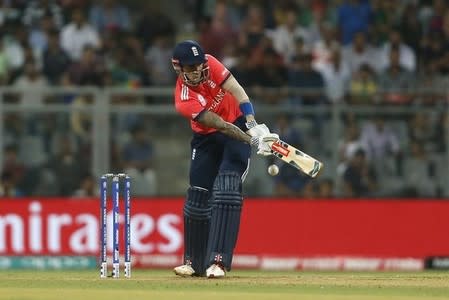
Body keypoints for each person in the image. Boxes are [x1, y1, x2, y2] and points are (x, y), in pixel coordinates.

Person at [171, 40, 278, 278]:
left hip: (238, 124)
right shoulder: (183, 98)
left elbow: (238, 90)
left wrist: (253, 124)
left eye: (199, 65)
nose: (198, 70)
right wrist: (253, 140)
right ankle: (192, 262)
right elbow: (220, 125)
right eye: (191, 67)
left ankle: (217, 262)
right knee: (198, 195)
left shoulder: (211, 62)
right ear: (179, 69)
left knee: (228, 189)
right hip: (210, 137)